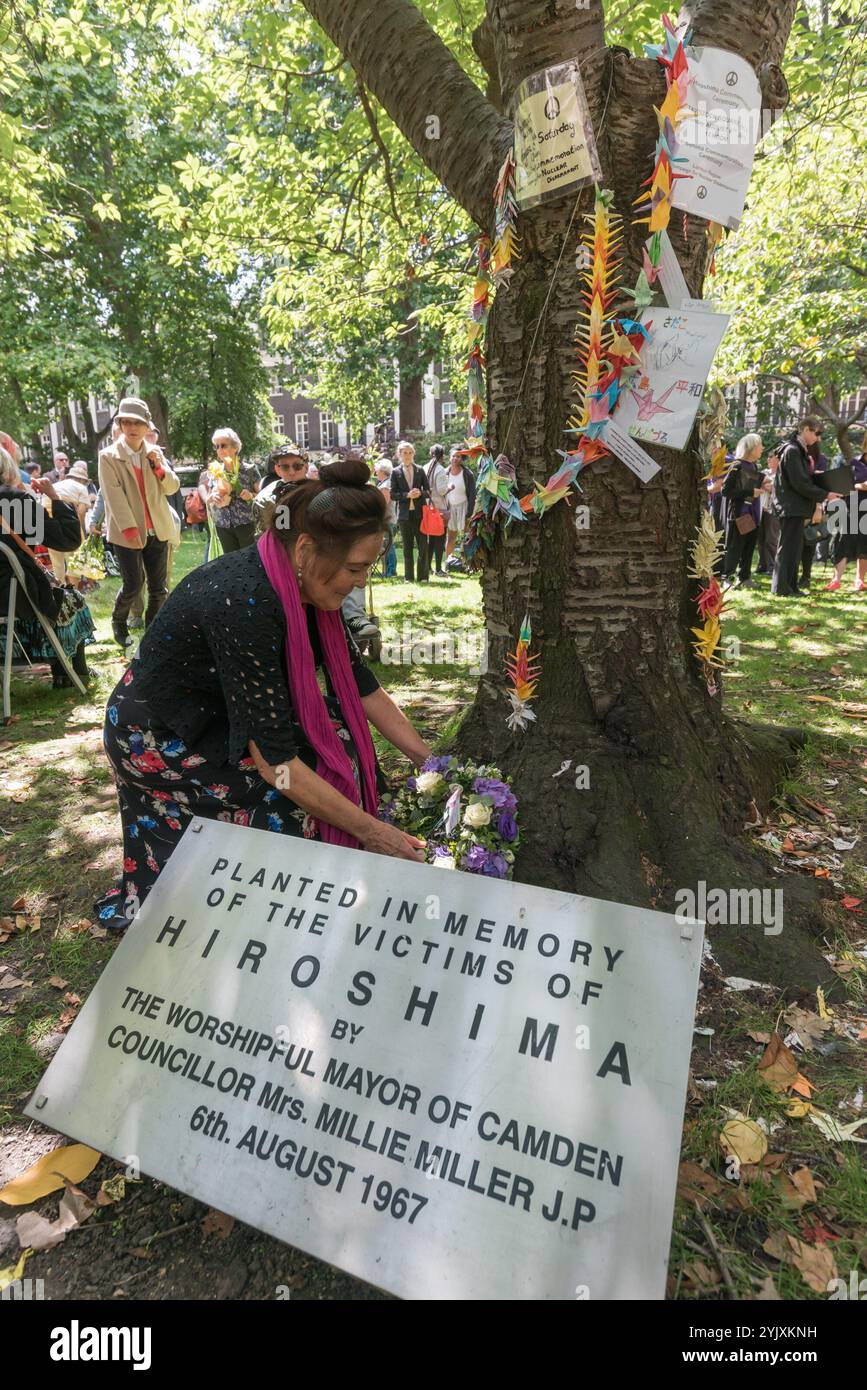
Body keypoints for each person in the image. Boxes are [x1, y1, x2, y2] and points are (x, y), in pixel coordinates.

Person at [95, 456, 432, 931]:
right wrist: (373, 833)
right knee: (294, 793)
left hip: (213, 713)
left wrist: (431, 762)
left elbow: (358, 685)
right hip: (157, 735)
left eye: (369, 567)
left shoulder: (305, 581)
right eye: (356, 567)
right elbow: (277, 764)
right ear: (307, 549)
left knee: (339, 747)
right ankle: (275, 914)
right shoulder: (246, 600)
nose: (362, 581)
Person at [0, 446, 94, 687]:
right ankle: (72, 672)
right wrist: (54, 496)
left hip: (9, 602)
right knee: (73, 600)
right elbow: (67, 540)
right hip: (16, 599)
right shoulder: (14, 501)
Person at [98, 397, 181, 647]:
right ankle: (119, 622)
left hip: (158, 528)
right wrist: (130, 528)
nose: (132, 428)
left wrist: (158, 466)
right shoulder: (108, 456)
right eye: (126, 422)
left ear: (147, 427)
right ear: (120, 425)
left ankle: (153, 633)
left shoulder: (154, 453)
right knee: (133, 585)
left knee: (159, 589)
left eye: (138, 423)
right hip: (127, 533)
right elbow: (113, 495)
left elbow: (172, 487)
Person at [771, 417, 838, 598]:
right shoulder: (793, 450)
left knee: (793, 549)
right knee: (788, 547)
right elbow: (799, 483)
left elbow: (801, 479)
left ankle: (790, 587)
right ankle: (782, 588)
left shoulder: (797, 450)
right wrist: (825, 494)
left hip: (794, 506)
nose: (817, 438)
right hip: (790, 506)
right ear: (806, 430)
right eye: (816, 433)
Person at [203, 428, 260, 556]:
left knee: (250, 562)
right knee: (231, 565)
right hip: (223, 525)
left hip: (246, 524)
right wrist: (213, 497)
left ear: (235, 447)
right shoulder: (215, 470)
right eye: (216, 446)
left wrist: (251, 495)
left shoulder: (249, 470)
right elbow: (208, 498)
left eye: (223, 445)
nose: (219, 450)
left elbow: (262, 497)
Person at [721, 434, 765, 589]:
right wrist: (750, 492)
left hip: (753, 513)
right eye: (760, 445)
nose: (763, 448)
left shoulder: (754, 466)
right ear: (752, 447)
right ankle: (727, 578)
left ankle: (744, 578)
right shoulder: (737, 465)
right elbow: (726, 491)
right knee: (735, 546)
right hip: (739, 513)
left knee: (749, 547)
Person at [826, 433, 867, 593]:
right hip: (851, 505)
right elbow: (844, 484)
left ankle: (859, 580)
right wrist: (860, 486)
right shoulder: (855, 462)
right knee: (842, 540)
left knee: (864, 544)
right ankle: (836, 580)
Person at [390, 440, 429, 582]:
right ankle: (408, 577)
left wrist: (420, 493)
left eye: (410, 452)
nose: (407, 455)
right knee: (407, 547)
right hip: (404, 515)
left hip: (420, 514)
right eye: (404, 453)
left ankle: (423, 577)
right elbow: (393, 494)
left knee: (423, 546)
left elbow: (429, 491)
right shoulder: (395, 472)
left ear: (413, 454)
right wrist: (407, 495)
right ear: (399, 454)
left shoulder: (420, 470)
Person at [48, 461, 92, 583]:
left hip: (49, 523)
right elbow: (81, 513)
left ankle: (59, 594)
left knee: (57, 564)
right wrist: (80, 533)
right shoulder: (81, 487)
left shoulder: (55, 485)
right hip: (68, 522)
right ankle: (73, 594)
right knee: (75, 561)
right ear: (82, 480)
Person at [253, 445, 309, 530]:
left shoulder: (320, 494)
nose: (291, 472)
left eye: (297, 466)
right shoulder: (265, 500)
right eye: (284, 467)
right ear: (277, 470)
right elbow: (265, 538)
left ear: (306, 467)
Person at [445, 447, 477, 559]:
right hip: (450, 507)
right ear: (450, 458)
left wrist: (470, 513)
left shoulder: (468, 474)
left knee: (466, 536)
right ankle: (448, 562)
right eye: (453, 456)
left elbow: (473, 495)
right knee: (451, 537)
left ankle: (467, 562)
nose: (455, 458)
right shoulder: (445, 473)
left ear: (462, 458)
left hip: (464, 506)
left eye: (458, 456)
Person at [425, 444, 449, 576]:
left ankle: (428, 567)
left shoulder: (425, 467)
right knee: (440, 540)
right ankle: (439, 568)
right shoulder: (440, 469)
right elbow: (442, 490)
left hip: (428, 508)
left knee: (430, 540)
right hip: (439, 509)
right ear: (442, 455)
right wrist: (450, 487)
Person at [755, 450, 781, 575]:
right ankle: (763, 565)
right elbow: (757, 483)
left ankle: (772, 567)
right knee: (761, 539)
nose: (769, 459)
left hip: (773, 510)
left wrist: (771, 488)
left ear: (778, 460)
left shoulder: (782, 475)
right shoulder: (764, 473)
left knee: (771, 539)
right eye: (768, 457)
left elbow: (779, 490)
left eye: (772, 457)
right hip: (761, 509)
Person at [374, 459, 397, 577]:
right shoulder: (383, 483)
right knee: (387, 544)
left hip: (387, 519)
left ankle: (391, 571)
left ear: (382, 471)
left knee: (388, 545)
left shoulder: (386, 485)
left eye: (377, 470)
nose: (375, 472)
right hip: (386, 519)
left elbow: (383, 503)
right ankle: (388, 570)